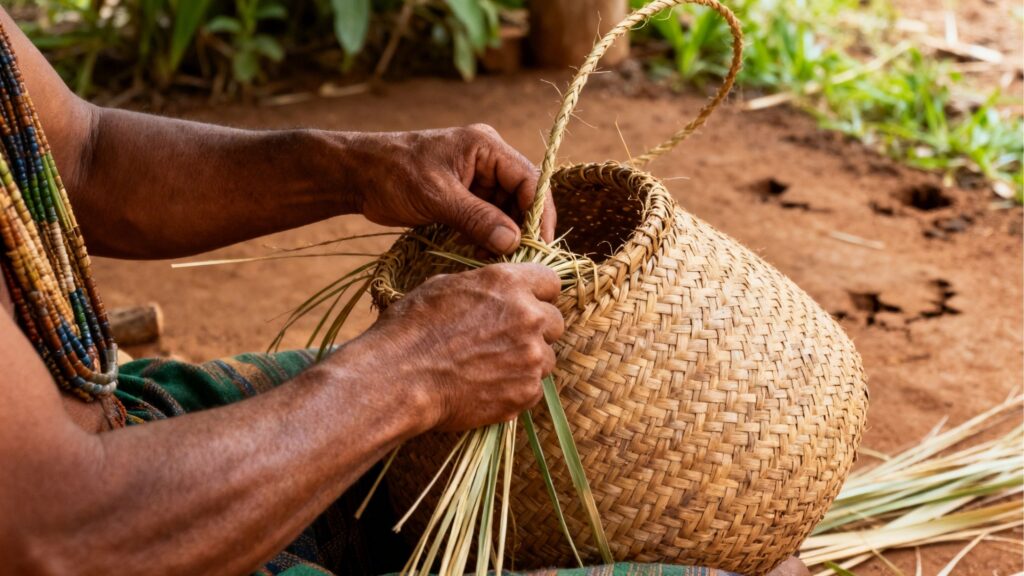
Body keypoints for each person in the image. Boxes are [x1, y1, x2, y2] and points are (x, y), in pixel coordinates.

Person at [0, 8, 807, 576]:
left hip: (121, 437)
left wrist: (357, 166)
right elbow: (61, 538)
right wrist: (409, 374)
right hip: (106, 527)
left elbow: (82, 159)